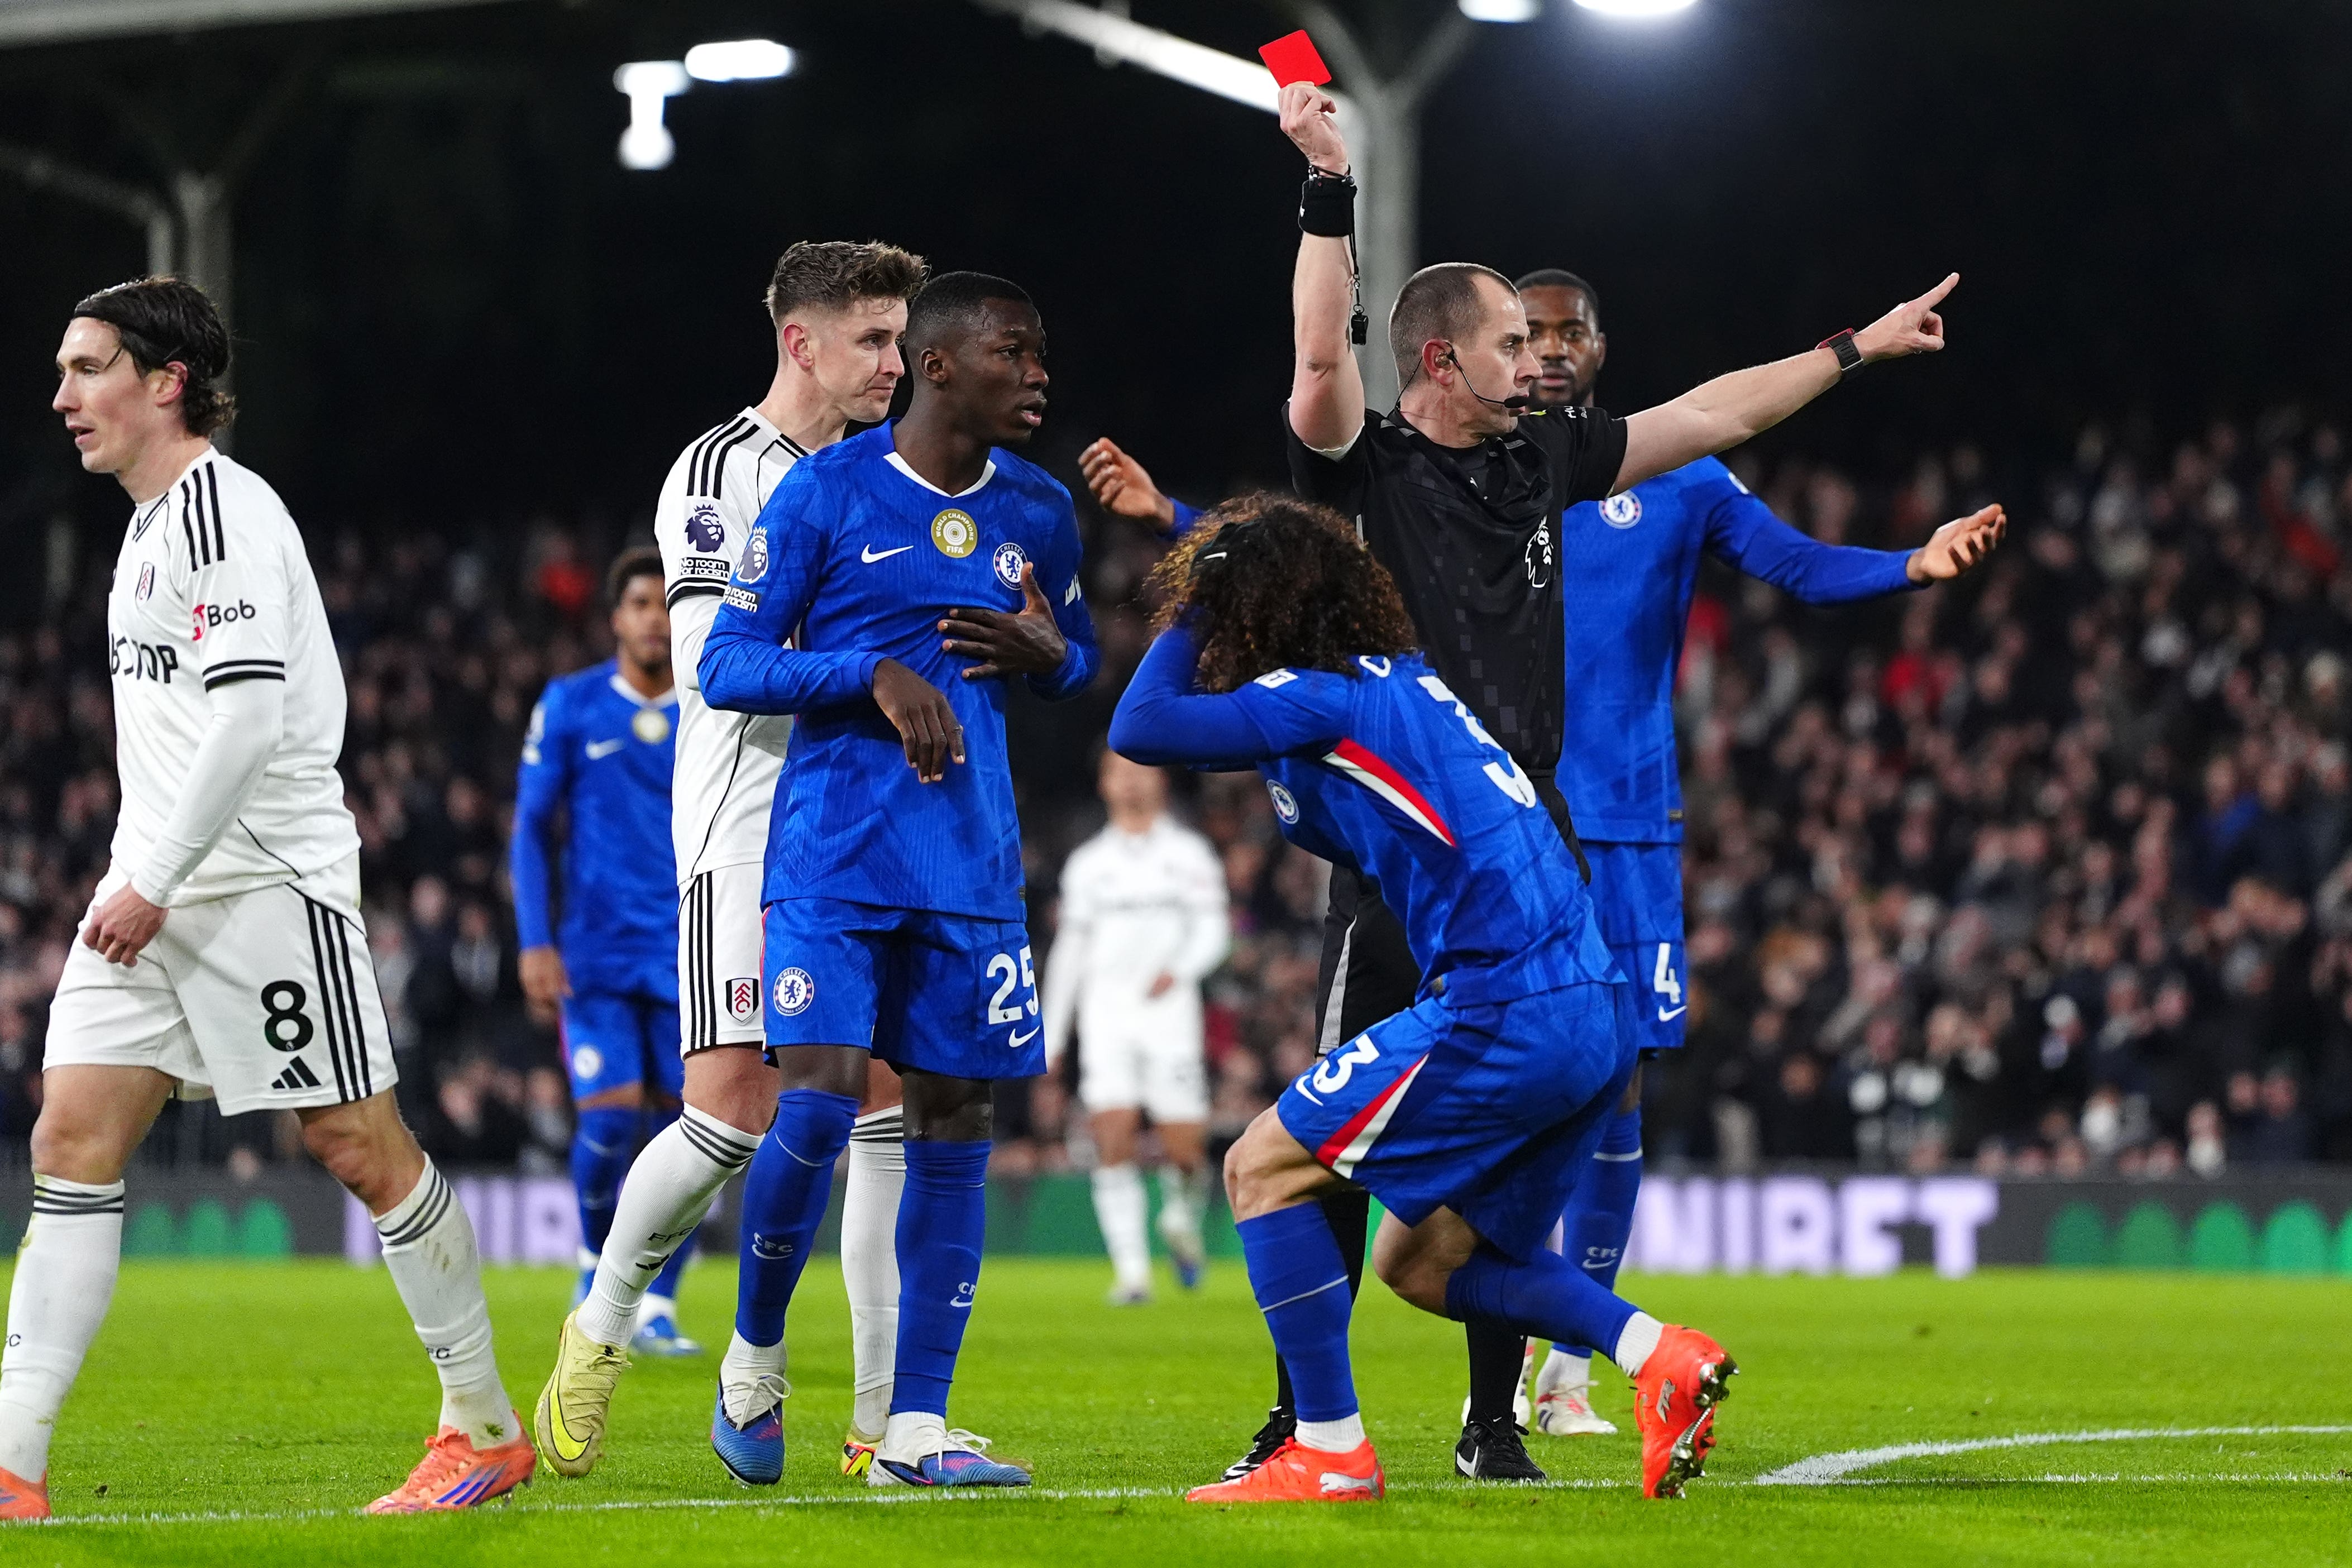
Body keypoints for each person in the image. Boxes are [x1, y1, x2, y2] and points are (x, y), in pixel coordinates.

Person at [1202, 78, 1977, 1485]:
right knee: (1319, 1145)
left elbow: (1711, 412)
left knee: (1433, 1164)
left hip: (1527, 851)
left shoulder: (1541, 462)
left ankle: (1481, 1420)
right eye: (1508, 339)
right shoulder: (1361, 471)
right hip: (1396, 864)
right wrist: (1327, 188)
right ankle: (1300, 1412)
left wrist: (1852, 349)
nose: (1537, 359)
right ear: (1438, 361)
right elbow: (1320, 360)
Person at [1, 276, 531, 1521]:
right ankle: (13, 1463)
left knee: (356, 1146)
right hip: (153, 887)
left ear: (166, 380)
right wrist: (142, 878)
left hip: (260, 888)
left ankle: (484, 1427)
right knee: (69, 1142)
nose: (64, 396)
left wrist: (154, 880)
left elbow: (245, 723)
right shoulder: (145, 527)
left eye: (88, 369)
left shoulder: (220, 519)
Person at [1110, 496, 1736, 1503]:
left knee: (1258, 1167)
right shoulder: (1409, 683)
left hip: (1503, 1004)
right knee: (1426, 1259)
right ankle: (1660, 1352)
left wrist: (1197, 600)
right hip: (1593, 1005)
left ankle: (1326, 1445)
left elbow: (1139, 724)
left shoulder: (1318, 697)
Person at [1509, 268, 2005, 1437]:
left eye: (1568, 333)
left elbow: (1793, 563)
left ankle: (1566, 1373)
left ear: (1600, 347)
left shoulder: (1677, 476)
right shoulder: (1469, 480)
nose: (1547, 353)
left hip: (1628, 825)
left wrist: (1906, 565)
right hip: (1506, 820)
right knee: (1521, 1084)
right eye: (1525, 335)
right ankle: (1495, 1364)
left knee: (1617, 1092)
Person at [697, 270, 1099, 1487]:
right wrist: (868, 672)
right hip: (832, 852)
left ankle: (911, 1431)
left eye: (1039, 355)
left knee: (956, 1124)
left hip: (970, 864)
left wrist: (1055, 657)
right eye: (1016, 353)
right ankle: (754, 1361)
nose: (1039, 376)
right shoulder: (825, 494)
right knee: (816, 1104)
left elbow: (1073, 665)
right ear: (938, 366)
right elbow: (727, 662)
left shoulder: (1038, 507)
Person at [535, 240, 928, 1485]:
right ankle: (597, 1331)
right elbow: (719, 659)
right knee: (732, 1110)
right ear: (801, 341)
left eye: (902, 338)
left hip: (867, 821)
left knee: (883, 1104)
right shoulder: (720, 473)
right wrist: (869, 658)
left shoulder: (893, 468)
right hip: (748, 818)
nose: (896, 361)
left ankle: (879, 1426)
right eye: (872, 339)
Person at [510, 548, 694, 1352]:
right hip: (598, 956)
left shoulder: (711, 704)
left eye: (666, 603)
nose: (655, 618)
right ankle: (595, 1271)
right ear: (617, 617)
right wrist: (535, 942)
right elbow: (528, 828)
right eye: (640, 604)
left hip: (693, 953)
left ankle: (657, 1306)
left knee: (699, 1139)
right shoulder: (573, 704)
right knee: (612, 1125)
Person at [1040, 750, 1231, 1303]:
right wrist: (1054, 1035)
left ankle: (1181, 1223)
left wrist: (1181, 971)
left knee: (1186, 1150)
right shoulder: (1089, 865)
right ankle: (1133, 1275)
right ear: (1103, 783)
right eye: (1117, 771)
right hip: (1109, 1019)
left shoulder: (1189, 855)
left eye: (1138, 769)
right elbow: (1070, 956)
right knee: (1112, 1134)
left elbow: (1214, 929)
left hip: (1170, 1016)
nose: (1128, 781)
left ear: (1161, 778)